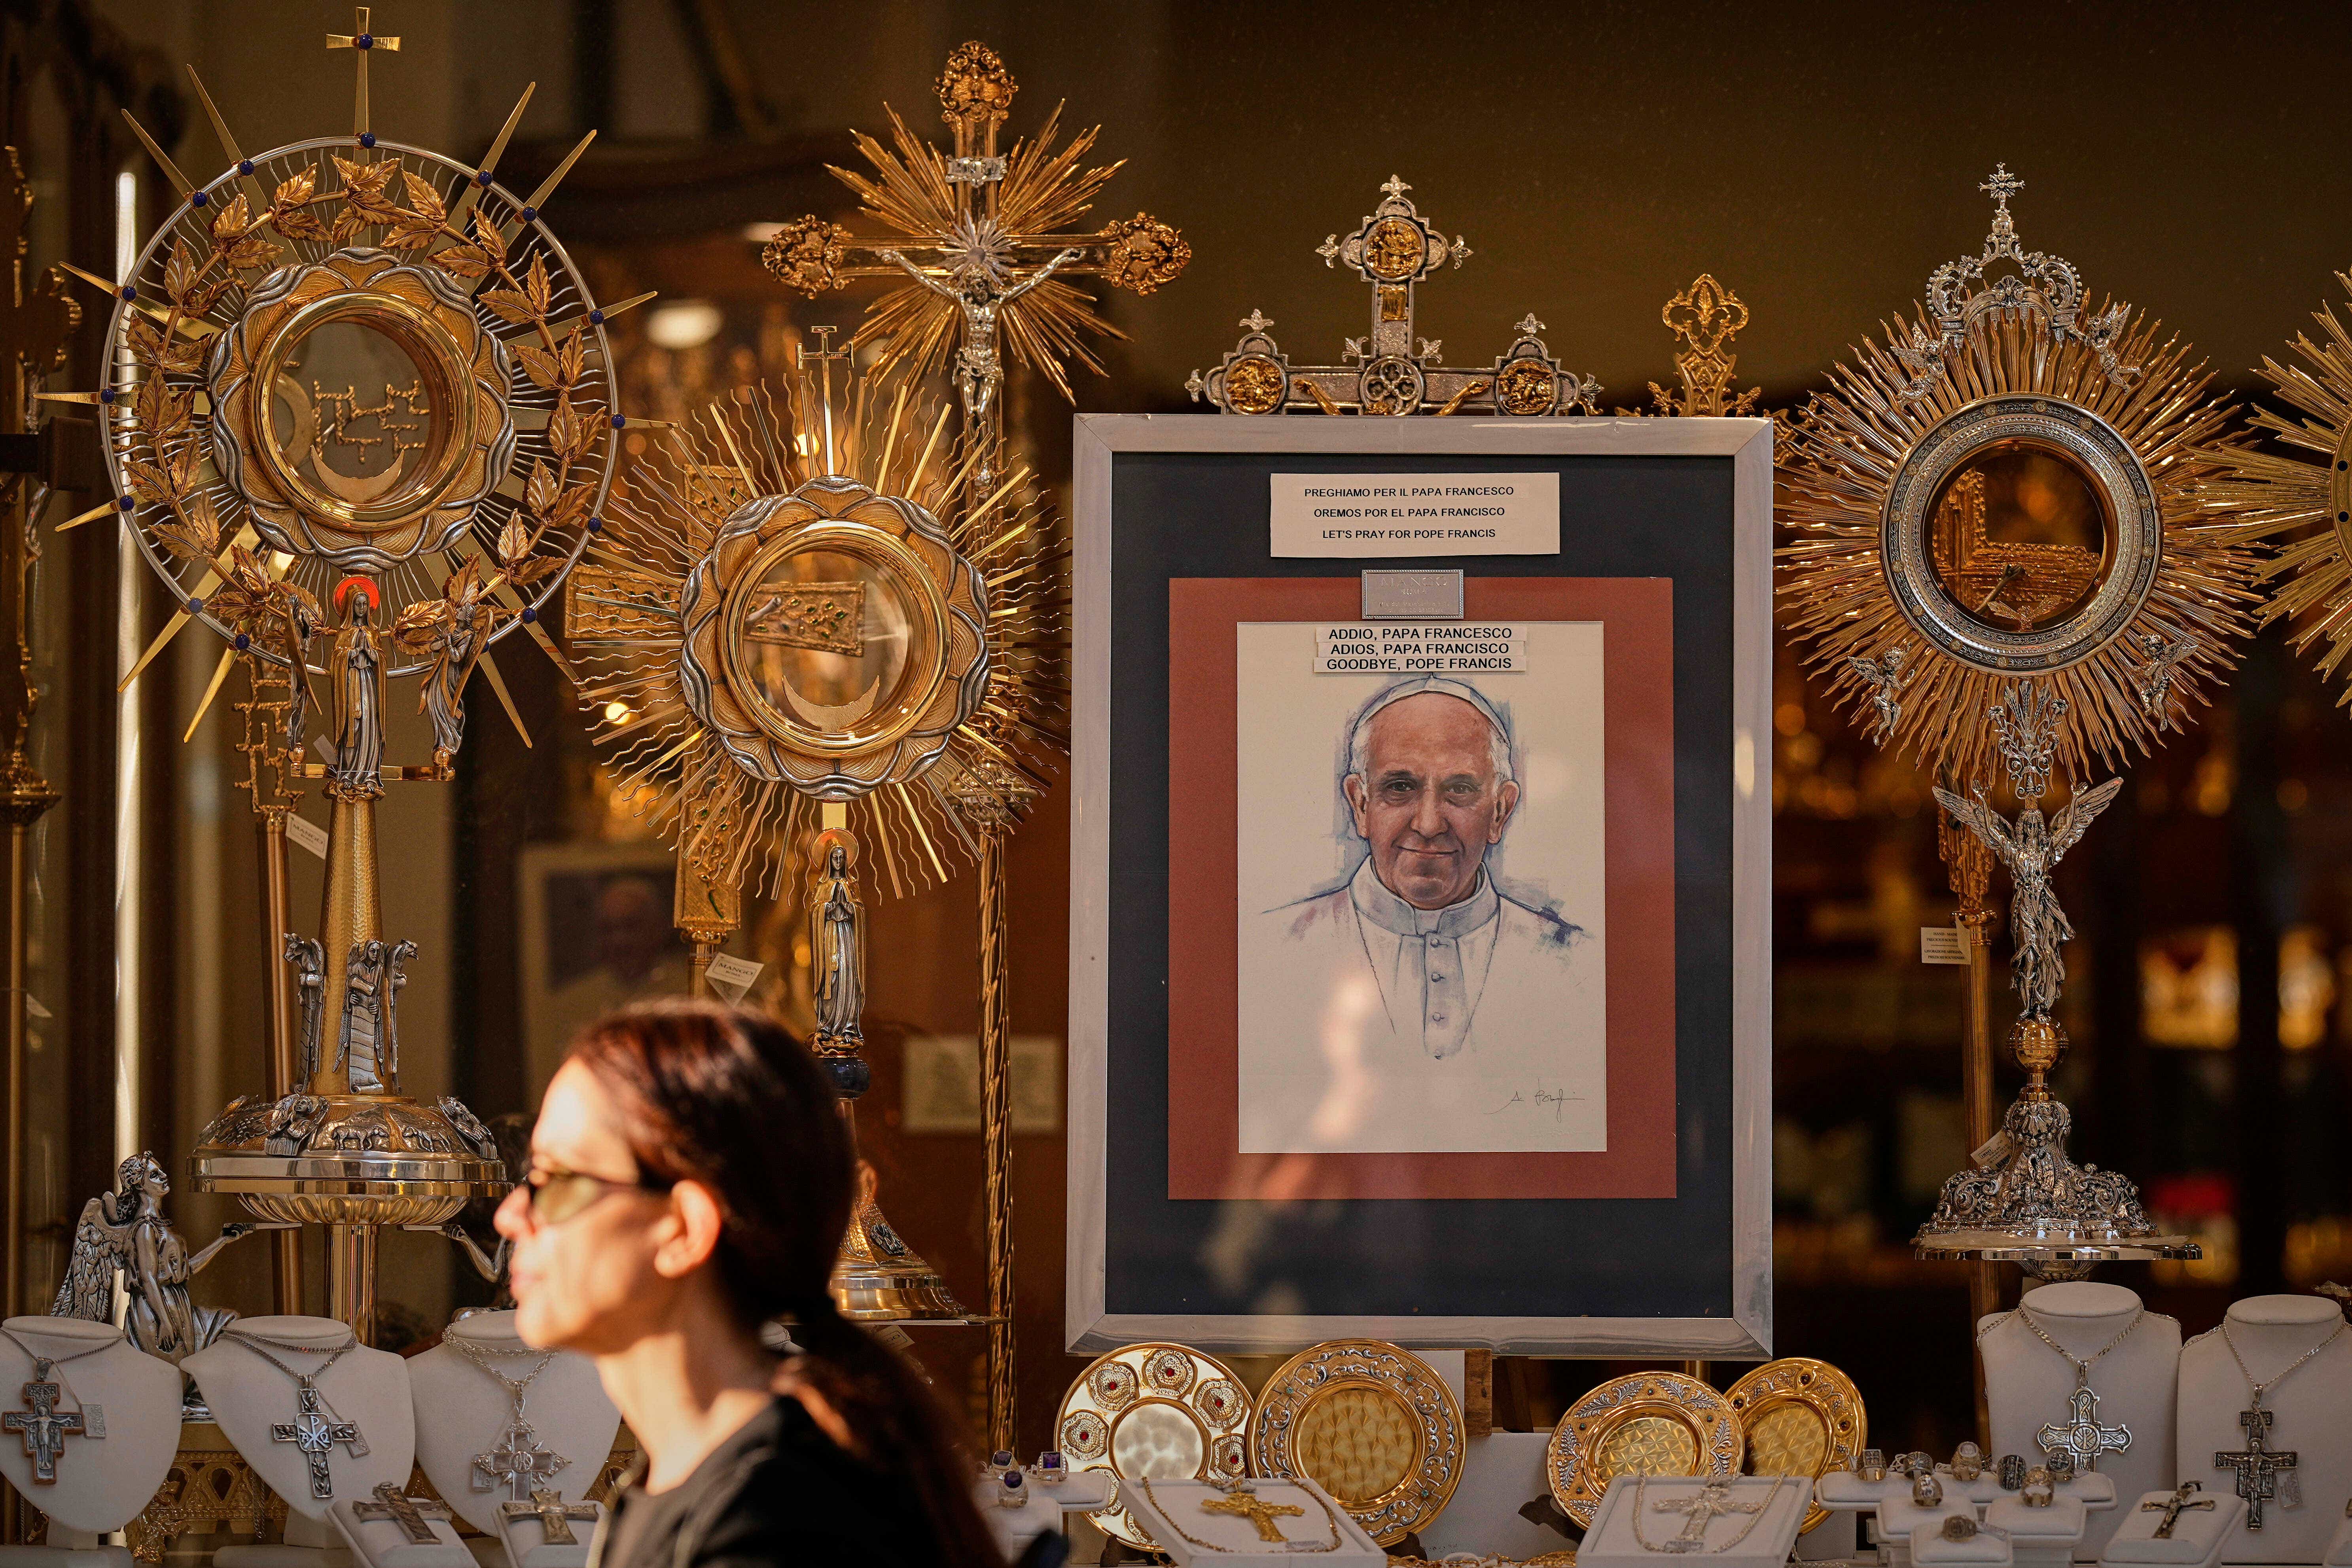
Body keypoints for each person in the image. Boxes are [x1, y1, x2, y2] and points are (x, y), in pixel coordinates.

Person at [494, 999, 1007, 1568]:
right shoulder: (689, 1476)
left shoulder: (776, 1520)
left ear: (684, 1228)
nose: (511, 1215)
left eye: (556, 1178)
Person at [1240, 676, 1598, 1154]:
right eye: (1400, 787)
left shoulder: (1575, 964)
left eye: (1460, 790)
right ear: (1360, 803)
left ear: (1500, 811)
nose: (1429, 824)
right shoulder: (1270, 950)